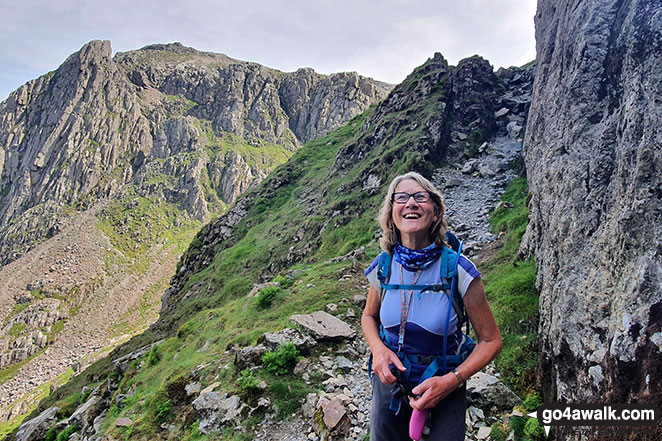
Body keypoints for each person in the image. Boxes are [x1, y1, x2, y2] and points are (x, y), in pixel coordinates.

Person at [361, 171, 502, 441]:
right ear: (392, 213)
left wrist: (453, 381)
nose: (410, 203)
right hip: (391, 382)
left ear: (435, 213)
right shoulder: (384, 266)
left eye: (420, 197)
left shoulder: (458, 270)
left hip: (445, 384)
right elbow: (369, 316)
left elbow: (491, 341)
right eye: (401, 197)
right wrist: (379, 352)